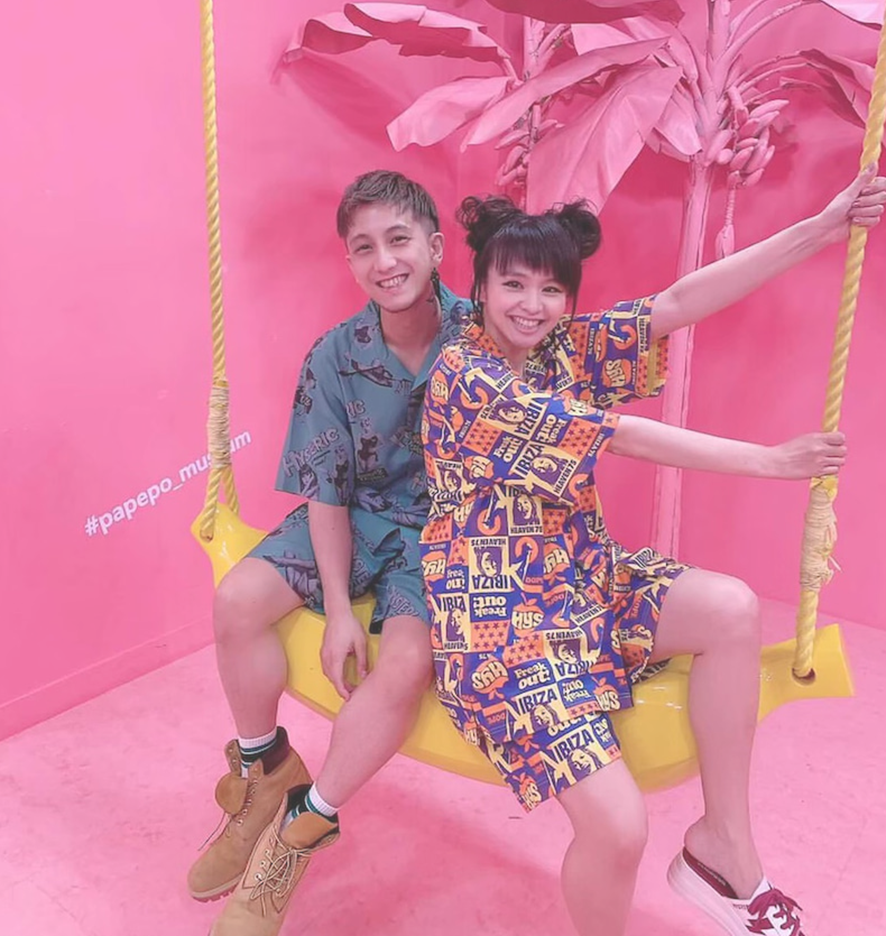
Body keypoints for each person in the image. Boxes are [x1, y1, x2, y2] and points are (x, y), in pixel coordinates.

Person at [420, 169, 884, 936]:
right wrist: (771, 461)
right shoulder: (466, 378)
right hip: (501, 628)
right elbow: (623, 436)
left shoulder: (558, 349)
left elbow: (675, 305)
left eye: (551, 289)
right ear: (481, 288)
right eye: (513, 285)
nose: (532, 305)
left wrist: (823, 227)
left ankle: (723, 847)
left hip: (586, 583)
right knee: (619, 828)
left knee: (731, 608)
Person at [191, 171, 470, 936]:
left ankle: (297, 834)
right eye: (364, 247)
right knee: (236, 600)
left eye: (399, 240)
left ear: (435, 246)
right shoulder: (334, 357)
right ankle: (265, 773)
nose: (385, 260)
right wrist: (340, 608)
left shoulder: (487, 338)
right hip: (358, 518)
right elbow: (327, 493)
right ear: (349, 262)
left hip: (448, 538)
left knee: (405, 665)